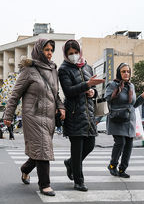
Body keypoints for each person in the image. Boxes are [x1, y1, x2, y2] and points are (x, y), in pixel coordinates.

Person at [3, 39, 65, 196]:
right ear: (39, 51)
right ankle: (45, 185)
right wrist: (8, 115)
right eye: (46, 50)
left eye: (51, 50)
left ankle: (25, 169)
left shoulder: (53, 70)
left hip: (49, 116)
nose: (49, 53)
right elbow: (15, 94)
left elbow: (55, 93)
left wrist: (61, 106)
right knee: (43, 147)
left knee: (39, 149)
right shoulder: (28, 71)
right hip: (32, 116)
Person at [58, 40, 105, 192]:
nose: (73, 56)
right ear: (66, 54)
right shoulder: (64, 69)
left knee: (90, 144)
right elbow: (68, 91)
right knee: (77, 149)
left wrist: (93, 91)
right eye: (70, 53)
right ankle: (79, 181)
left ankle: (71, 163)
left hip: (89, 113)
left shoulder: (88, 67)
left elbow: (92, 90)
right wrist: (87, 86)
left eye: (75, 52)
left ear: (80, 52)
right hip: (74, 113)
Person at [105, 63, 144, 178]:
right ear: (119, 73)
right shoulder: (112, 84)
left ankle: (122, 169)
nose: (126, 73)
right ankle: (112, 166)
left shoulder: (131, 86)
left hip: (129, 120)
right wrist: (117, 90)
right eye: (123, 71)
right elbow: (108, 98)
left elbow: (133, 104)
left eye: (128, 71)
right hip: (117, 118)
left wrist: (143, 97)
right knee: (120, 143)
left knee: (129, 145)